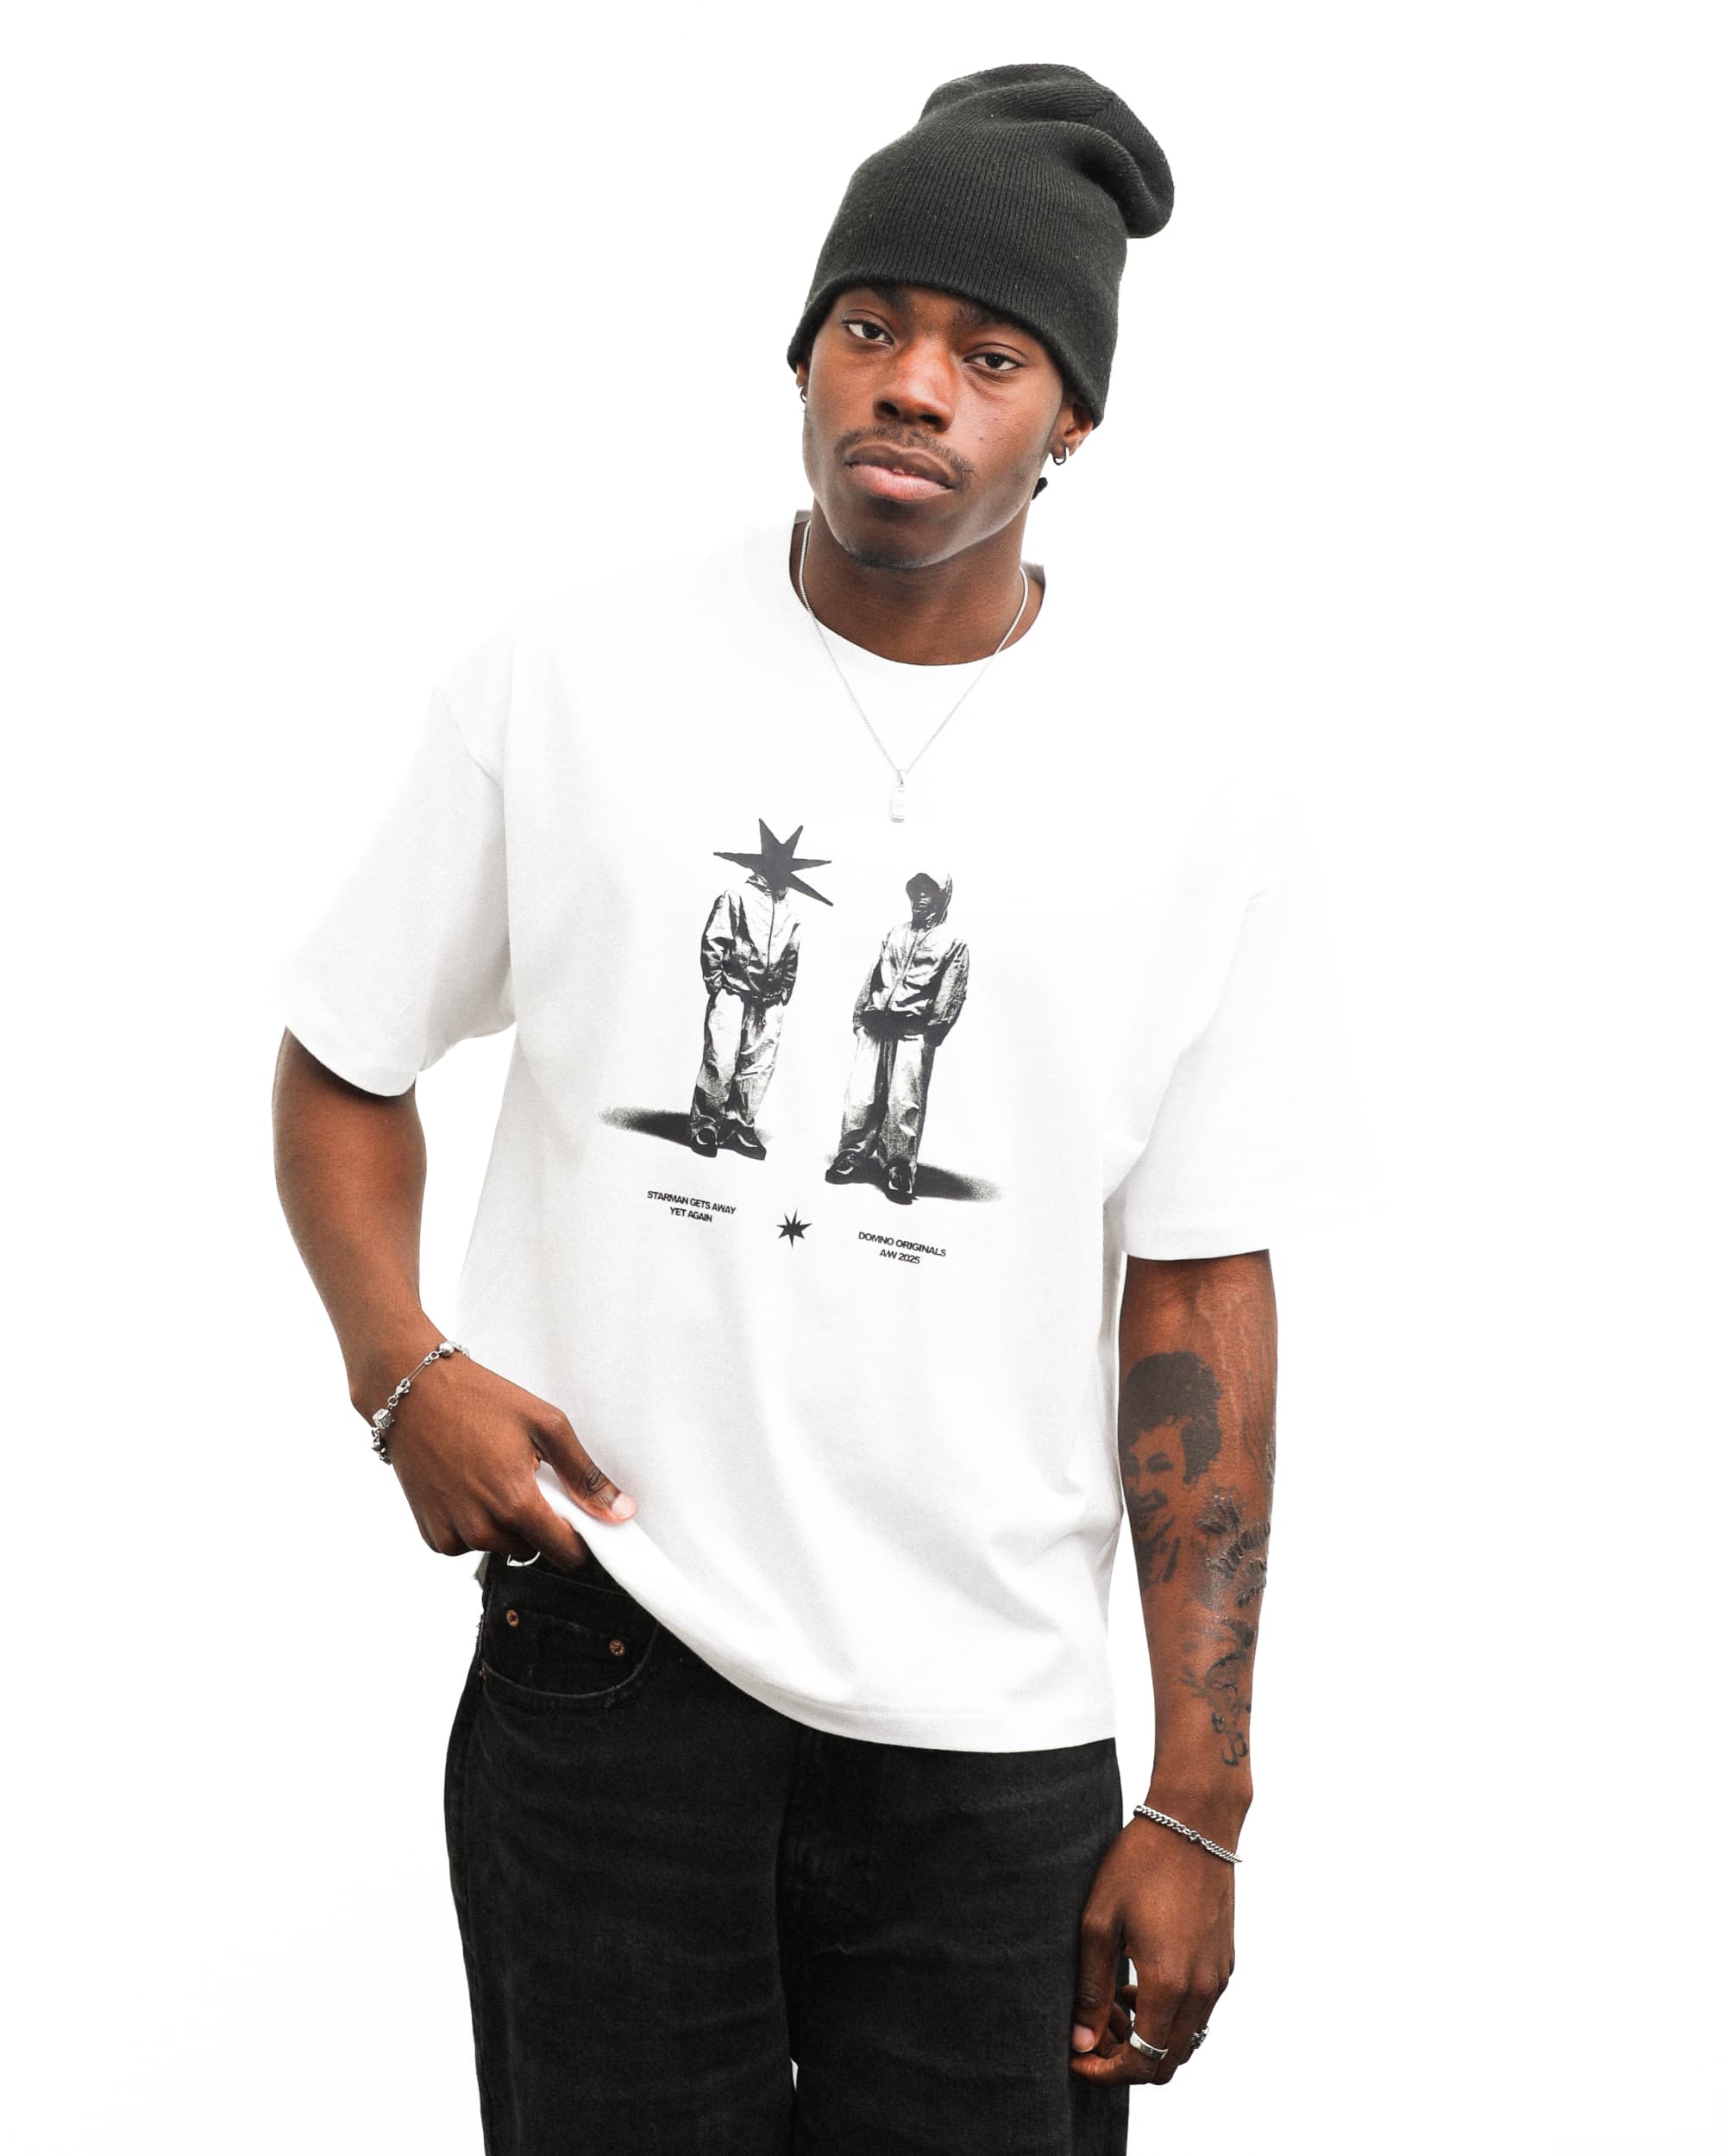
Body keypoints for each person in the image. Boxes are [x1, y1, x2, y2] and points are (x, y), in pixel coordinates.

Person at [272, 60, 1371, 2156]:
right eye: (871, 325)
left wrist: (1200, 1797)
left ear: (1070, 421)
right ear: (803, 354)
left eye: (990, 354)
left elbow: (1194, 1284)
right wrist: (396, 1365)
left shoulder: (1191, 788)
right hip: (611, 1666)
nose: (913, 386)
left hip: (991, 1730)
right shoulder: (572, 676)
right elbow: (346, 1051)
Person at [691, 818, 832, 1158]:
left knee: (758, 1064)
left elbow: (792, 954)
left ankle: (740, 1124)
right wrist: (716, 985)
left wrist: (784, 991)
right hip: (733, 992)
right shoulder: (736, 896)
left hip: (768, 1001)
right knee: (720, 1059)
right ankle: (706, 1125)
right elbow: (715, 940)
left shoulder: (791, 910)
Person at [828, 868, 969, 1200]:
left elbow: (952, 990)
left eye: (928, 891)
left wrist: (934, 1032)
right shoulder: (896, 933)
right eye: (916, 890)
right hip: (877, 1024)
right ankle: (852, 1153)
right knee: (861, 1095)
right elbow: (875, 973)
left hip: (912, 1031)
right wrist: (860, 1014)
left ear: (942, 896)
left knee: (904, 1101)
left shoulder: (952, 942)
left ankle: (899, 1166)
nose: (920, 897)